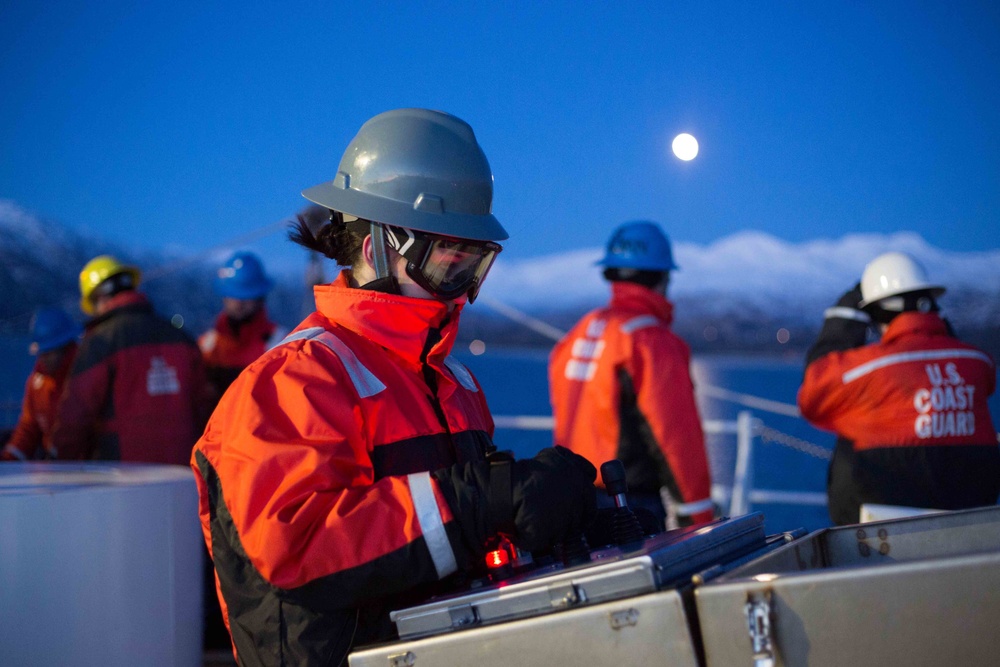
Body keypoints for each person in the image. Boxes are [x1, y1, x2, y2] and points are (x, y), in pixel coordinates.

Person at [191, 108, 597, 666]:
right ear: (373, 247)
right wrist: (487, 499)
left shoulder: (452, 382)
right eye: (446, 264)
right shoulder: (294, 381)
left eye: (471, 266)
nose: (457, 291)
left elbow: (458, 539)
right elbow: (298, 548)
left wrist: (553, 523)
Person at [798, 251, 1000, 525]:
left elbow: (813, 399)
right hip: (969, 525)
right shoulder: (979, 363)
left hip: (884, 534)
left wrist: (841, 322)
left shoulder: (868, 369)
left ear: (874, 311)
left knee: (851, 436)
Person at [549, 221, 714, 529]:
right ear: (663, 277)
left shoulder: (579, 333)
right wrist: (699, 518)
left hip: (571, 503)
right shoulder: (651, 342)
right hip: (627, 507)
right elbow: (676, 438)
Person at [49, 255, 209, 464]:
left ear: (100, 299)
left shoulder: (100, 342)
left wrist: (57, 460)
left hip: (124, 476)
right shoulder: (182, 337)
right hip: (184, 473)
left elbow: (76, 415)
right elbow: (206, 408)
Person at [199, 251, 287, 404]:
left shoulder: (281, 343)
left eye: (246, 296)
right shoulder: (207, 346)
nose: (238, 303)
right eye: (233, 295)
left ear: (260, 298)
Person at [1, 307, 81, 461]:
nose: (43, 359)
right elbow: (29, 427)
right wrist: (9, 459)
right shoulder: (37, 383)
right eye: (41, 353)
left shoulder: (86, 377)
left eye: (49, 353)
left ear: (65, 348)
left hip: (87, 471)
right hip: (52, 470)